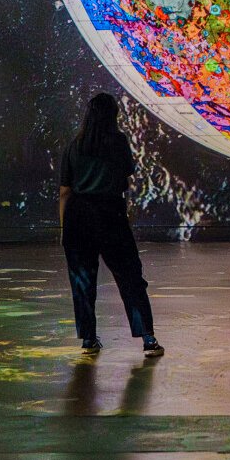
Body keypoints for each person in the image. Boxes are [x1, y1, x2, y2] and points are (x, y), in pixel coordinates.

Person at [59, 92, 164, 357]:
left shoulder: (74, 146)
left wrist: (64, 229)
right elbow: (125, 176)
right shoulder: (117, 142)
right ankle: (148, 339)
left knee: (83, 282)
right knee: (130, 278)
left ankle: (88, 339)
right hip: (110, 215)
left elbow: (64, 191)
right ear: (113, 116)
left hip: (78, 218)